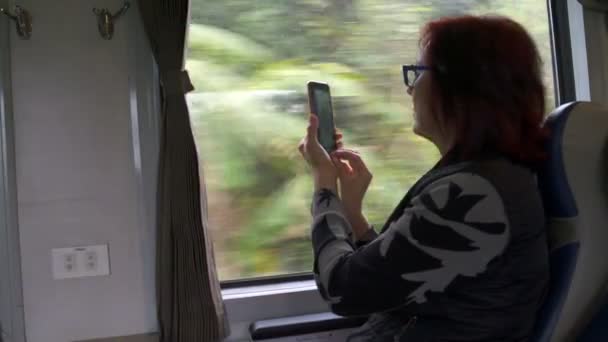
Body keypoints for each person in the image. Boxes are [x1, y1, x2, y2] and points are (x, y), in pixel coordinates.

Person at [298, 15, 550, 341]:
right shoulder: (485, 177)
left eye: (419, 73)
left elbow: (343, 289)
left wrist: (324, 186)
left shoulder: (474, 193)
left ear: (461, 87)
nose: (410, 87)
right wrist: (354, 215)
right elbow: (396, 278)